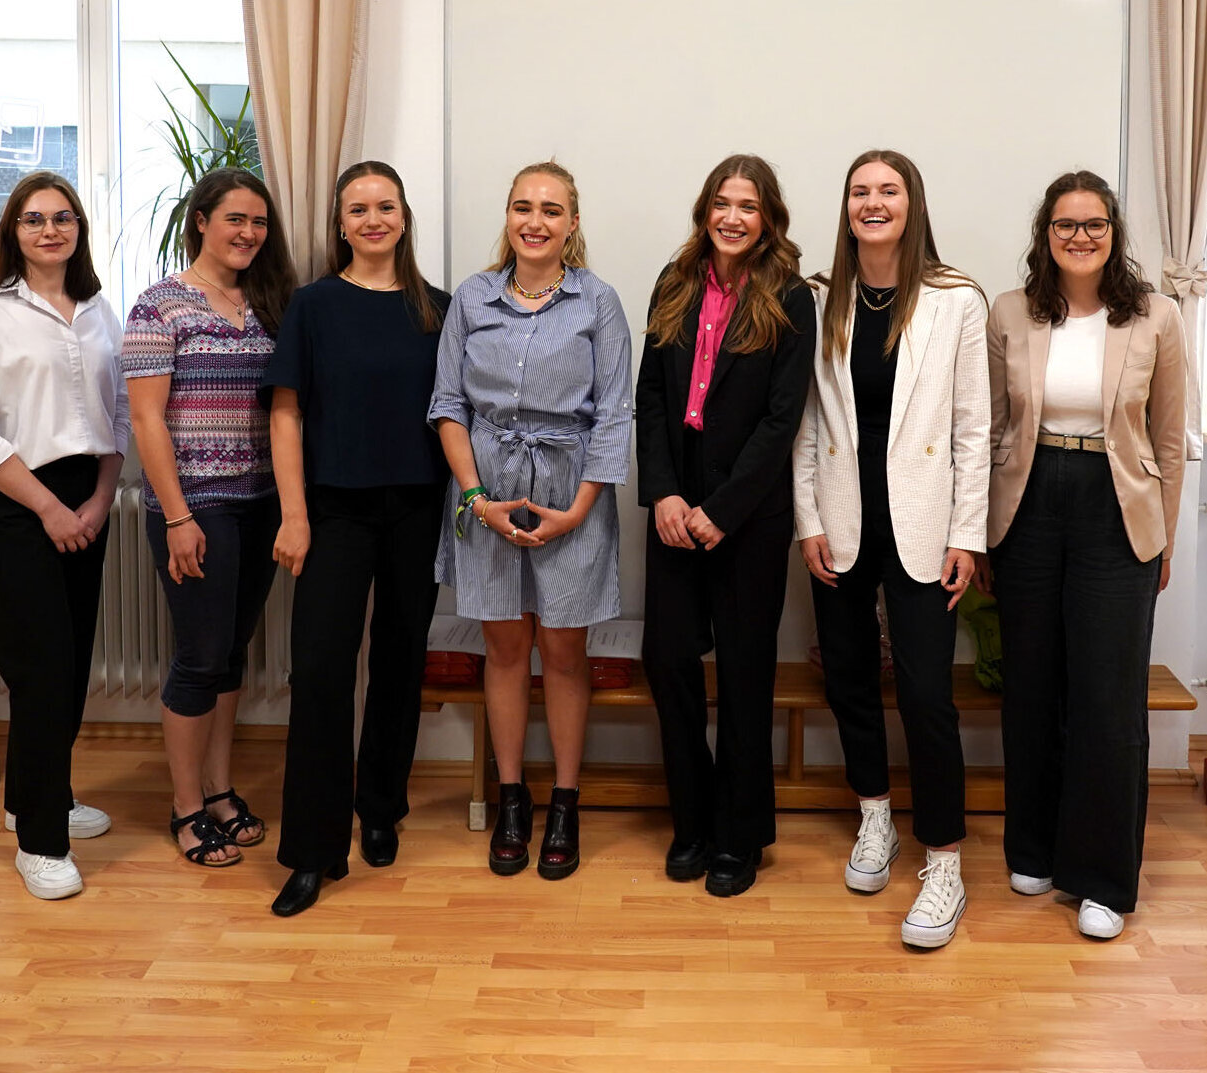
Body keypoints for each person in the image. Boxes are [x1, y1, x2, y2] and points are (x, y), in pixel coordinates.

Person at [974, 171, 1186, 940]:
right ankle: (1032, 846)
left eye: (1094, 225)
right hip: (1028, 504)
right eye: (1065, 226)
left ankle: (1101, 877)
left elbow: (1168, 439)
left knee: (1107, 695)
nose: (1080, 238)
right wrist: (982, 530)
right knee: (1031, 682)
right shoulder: (1010, 312)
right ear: (1045, 235)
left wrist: (1160, 537)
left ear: (1114, 232)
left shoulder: (1157, 316)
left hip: (1116, 505)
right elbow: (992, 428)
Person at [793, 149, 989, 948]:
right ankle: (874, 816)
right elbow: (806, 421)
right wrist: (807, 519)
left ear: (912, 205)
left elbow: (974, 428)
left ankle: (943, 858)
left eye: (889, 191)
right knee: (847, 681)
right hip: (841, 523)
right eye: (860, 192)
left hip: (924, 525)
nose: (873, 203)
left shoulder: (955, 300)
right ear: (846, 208)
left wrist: (966, 535)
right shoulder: (821, 299)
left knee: (926, 697)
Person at [428, 160, 632, 880]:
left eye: (552, 209)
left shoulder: (597, 301)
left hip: (571, 493)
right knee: (506, 650)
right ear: (508, 216)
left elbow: (614, 414)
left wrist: (576, 511)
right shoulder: (473, 298)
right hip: (486, 491)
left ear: (573, 223)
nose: (535, 221)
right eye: (523, 206)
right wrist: (475, 496)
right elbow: (448, 404)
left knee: (565, 654)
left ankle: (566, 802)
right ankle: (513, 797)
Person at [263, 162, 451, 917]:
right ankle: (313, 850)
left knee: (402, 663)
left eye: (385, 206)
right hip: (333, 511)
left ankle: (380, 806)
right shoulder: (313, 306)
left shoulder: (438, 309)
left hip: (418, 507)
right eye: (357, 209)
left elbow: (454, 413)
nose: (373, 219)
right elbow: (286, 414)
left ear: (404, 216)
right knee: (320, 672)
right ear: (339, 223)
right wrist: (294, 512)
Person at [0, 171, 129, 899]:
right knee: (40, 667)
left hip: (91, 500)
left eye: (62, 217)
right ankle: (38, 842)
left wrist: (103, 499)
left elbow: (117, 420)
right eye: (32, 219)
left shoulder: (99, 312)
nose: (49, 229)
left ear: (78, 228)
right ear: (11, 232)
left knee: (74, 662)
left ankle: (37, 795)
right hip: (19, 505)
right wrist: (49, 507)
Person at [636, 154, 815, 897]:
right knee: (668, 661)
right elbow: (648, 400)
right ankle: (695, 820)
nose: (732, 217)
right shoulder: (674, 283)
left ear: (769, 217)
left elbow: (783, 420)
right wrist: (668, 496)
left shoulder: (792, 297)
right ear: (704, 210)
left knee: (745, 677)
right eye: (721, 202)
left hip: (749, 520)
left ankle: (740, 838)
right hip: (676, 511)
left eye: (748, 205)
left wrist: (723, 509)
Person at [122, 168, 296, 868]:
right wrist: (176, 515)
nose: (249, 232)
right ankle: (187, 806)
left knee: (231, 656)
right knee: (198, 658)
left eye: (258, 222)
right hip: (196, 506)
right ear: (201, 220)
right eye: (235, 219)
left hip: (261, 504)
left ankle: (222, 788)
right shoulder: (159, 305)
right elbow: (145, 417)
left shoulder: (269, 302)